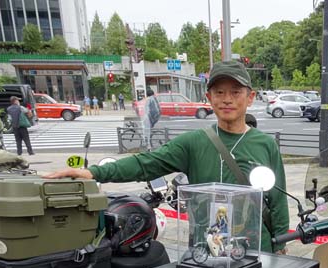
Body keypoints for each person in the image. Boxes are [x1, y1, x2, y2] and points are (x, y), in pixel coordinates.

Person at [45, 61, 289, 254]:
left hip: (258, 248)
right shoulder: (194, 142)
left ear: (250, 97)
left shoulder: (265, 144)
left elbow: (277, 200)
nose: (227, 99)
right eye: (219, 92)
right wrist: (93, 173)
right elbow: (147, 164)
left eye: (236, 92)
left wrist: (280, 244)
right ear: (209, 97)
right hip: (208, 248)